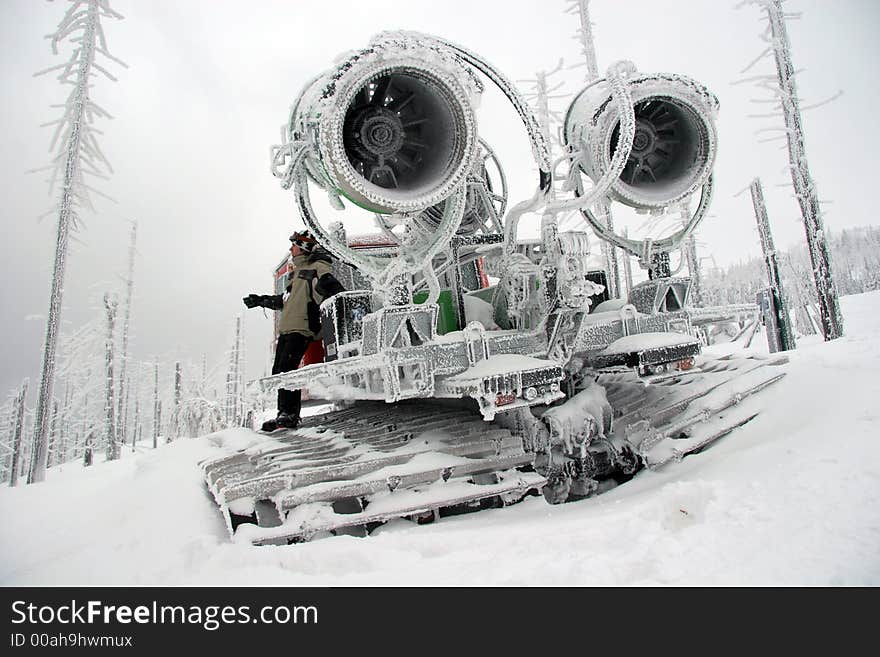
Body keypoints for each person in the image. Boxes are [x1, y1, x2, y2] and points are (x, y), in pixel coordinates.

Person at [243, 230, 345, 431]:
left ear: (304, 248)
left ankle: (290, 415)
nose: (291, 249)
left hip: (302, 327)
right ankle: (283, 413)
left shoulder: (317, 268)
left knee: (288, 370)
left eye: (294, 245)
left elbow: (332, 289)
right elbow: (286, 300)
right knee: (280, 371)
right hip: (289, 328)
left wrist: (330, 296)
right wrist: (261, 300)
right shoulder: (297, 274)